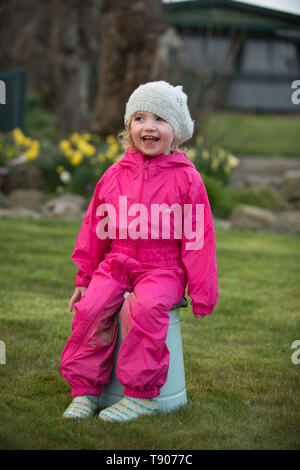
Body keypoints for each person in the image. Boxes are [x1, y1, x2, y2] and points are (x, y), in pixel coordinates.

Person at [60, 81, 218, 422]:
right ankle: (86, 391)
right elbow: (94, 230)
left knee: (144, 309)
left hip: (163, 269)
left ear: (176, 132)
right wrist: (85, 277)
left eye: (160, 119)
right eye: (140, 118)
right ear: (128, 126)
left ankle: (142, 396)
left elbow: (198, 239)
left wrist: (203, 294)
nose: (148, 126)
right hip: (116, 263)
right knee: (91, 310)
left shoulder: (187, 180)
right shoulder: (114, 175)